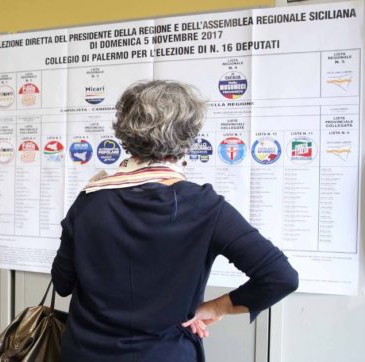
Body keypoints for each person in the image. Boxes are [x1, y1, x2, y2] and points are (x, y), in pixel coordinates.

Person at [51, 80, 298, 362]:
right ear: (189, 135)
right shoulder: (206, 207)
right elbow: (280, 277)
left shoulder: (89, 201)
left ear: (125, 130)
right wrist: (214, 309)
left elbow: (62, 284)